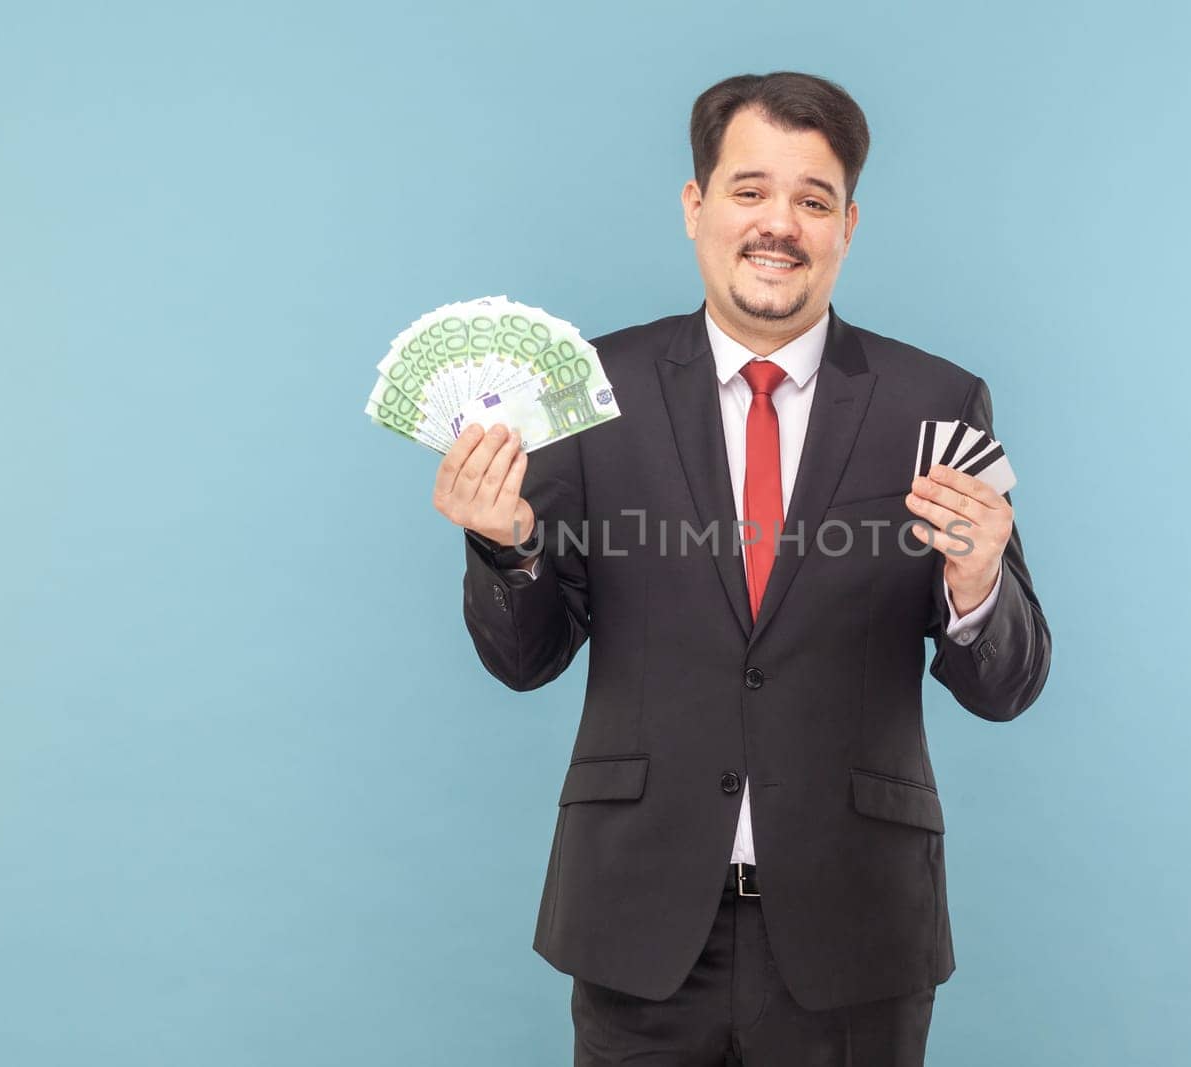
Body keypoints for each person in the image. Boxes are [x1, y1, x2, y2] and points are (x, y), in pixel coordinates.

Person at [434, 71, 1051, 1066]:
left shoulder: (933, 400)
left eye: (812, 200)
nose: (781, 225)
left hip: (857, 930)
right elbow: (525, 656)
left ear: (847, 222)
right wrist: (507, 544)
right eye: (749, 191)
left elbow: (1008, 683)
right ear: (696, 207)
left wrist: (978, 582)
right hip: (637, 921)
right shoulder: (593, 392)